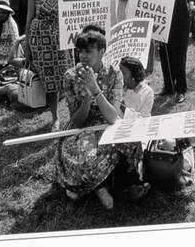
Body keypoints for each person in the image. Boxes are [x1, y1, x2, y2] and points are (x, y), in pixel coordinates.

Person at [55, 31, 144, 209]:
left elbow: (112, 117)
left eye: (89, 51)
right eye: (80, 51)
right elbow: (78, 121)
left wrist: (95, 90)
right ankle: (99, 187)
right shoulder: (70, 76)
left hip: (107, 122)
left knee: (129, 144)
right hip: (83, 127)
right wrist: (87, 97)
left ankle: (126, 185)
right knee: (81, 153)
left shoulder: (114, 74)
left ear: (102, 51)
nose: (83, 56)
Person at [23, 0, 74, 129]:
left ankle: (73, 114)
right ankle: (55, 117)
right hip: (41, 41)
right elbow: (28, 21)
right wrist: (27, 45)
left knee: (68, 77)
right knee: (50, 81)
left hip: (63, 39)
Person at [158, 0, 195, 103]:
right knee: (164, 51)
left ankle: (180, 88)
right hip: (163, 15)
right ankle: (168, 86)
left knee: (179, 52)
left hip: (180, 15)